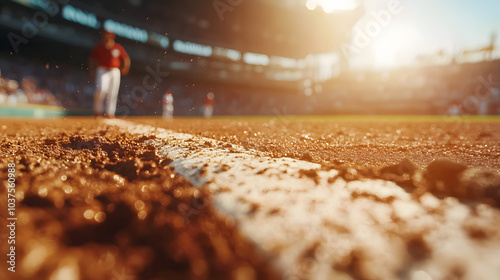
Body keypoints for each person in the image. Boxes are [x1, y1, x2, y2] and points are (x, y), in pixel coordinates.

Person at [89, 30, 130, 118]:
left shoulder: (118, 47)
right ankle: (97, 111)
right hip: (102, 70)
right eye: (106, 35)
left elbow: (126, 59)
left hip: (115, 71)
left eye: (109, 35)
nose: (107, 36)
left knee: (113, 92)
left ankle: (110, 113)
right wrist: (92, 69)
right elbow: (92, 58)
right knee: (101, 89)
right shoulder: (100, 47)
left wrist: (125, 68)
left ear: (112, 36)